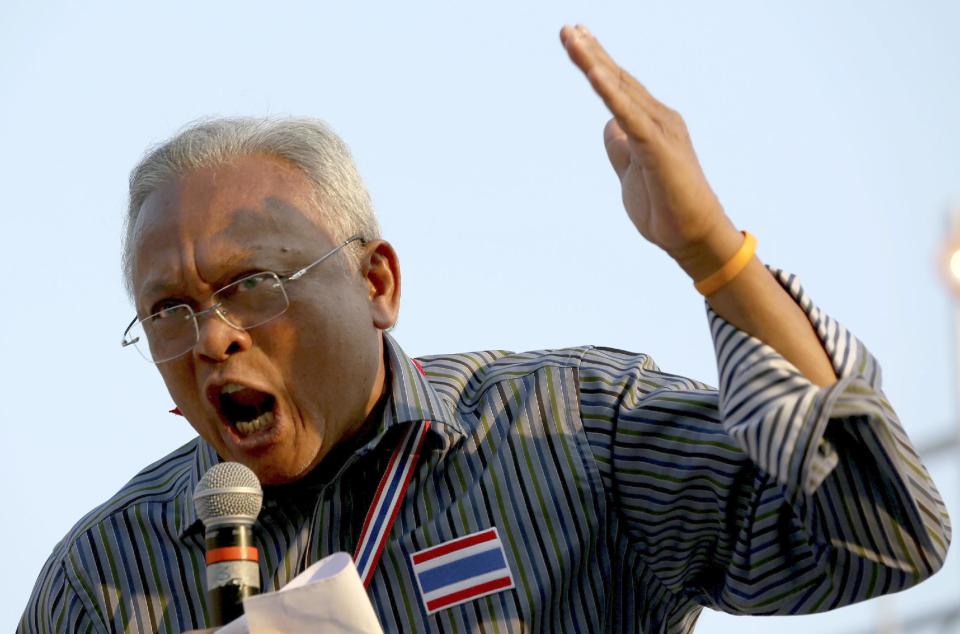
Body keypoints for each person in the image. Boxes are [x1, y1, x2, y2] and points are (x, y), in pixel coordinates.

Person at [20, 25, 950, 634]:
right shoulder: (102, 579)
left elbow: (878, 531)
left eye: (253, 284)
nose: (212, 336)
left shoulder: (573, 431)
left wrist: (716, 256)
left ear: (378, 282)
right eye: (169, 311)